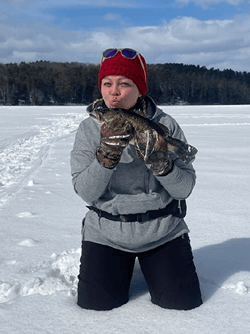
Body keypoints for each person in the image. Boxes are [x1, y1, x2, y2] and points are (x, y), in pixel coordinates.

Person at [70, 48, 202, 311]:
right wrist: (106, 158)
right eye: (107, 84)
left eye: (124, 83)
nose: (114, 92)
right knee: (96, 306)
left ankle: (156, 266)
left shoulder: (165, 124)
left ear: (140, 88)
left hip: (162, 231)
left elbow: (184, 188)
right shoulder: (89, 128)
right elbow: (85, 191)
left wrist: (162, 165)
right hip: (106, 233)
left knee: (182, 303)